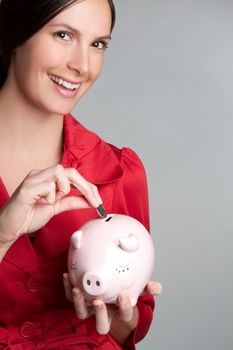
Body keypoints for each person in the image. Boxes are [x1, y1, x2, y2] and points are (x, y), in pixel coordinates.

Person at [0, 0, 162, 349]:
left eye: (97, 44)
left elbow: (128, 327)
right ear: (14, 35)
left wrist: (122, 315)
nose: (82, 65)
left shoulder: (119, 172)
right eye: (63, 35)